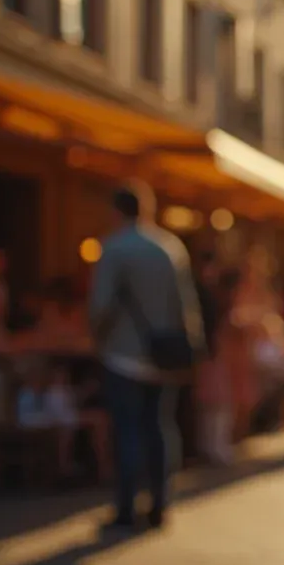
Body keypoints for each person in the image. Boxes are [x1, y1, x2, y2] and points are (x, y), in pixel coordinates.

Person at [88, 182, 204, 532]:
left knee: (127, 431)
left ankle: (126, 507)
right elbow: (188, 308)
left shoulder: (114, 249)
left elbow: (101, 307)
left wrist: (97, 340)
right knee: (160, 427)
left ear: (115, 210)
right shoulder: (170, 247)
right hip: (165, 357)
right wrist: (191, 349)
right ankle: (160, 503)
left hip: (124, 355)